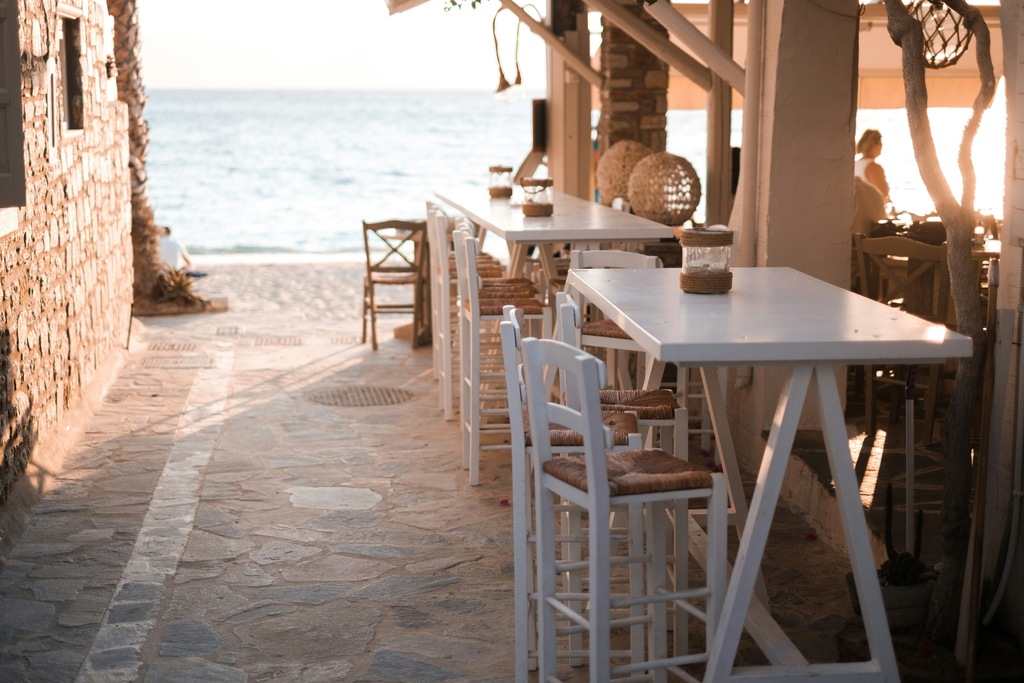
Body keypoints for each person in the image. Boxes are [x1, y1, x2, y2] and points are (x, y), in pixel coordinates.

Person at [854, 129, 891, 205]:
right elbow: (884, 192)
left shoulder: (855, 164)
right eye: (880, 143)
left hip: (858, 209)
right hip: (871, 210)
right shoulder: (873, 167)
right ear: (873, 145)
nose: (882, 146)